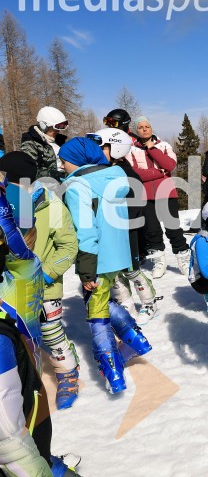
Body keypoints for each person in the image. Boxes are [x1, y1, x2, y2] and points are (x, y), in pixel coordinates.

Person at [0, 184, 80, 476]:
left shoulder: (24, 267)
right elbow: (7, 441)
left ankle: (46, 456)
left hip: (27, 381)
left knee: (35, 427)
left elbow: (67, 245)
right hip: (14, 389)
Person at [60, 137, 151, 394]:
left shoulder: (79, 186)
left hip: (97, 259)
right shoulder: (115, 177)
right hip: (117, 256)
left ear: (76, 161)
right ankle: (135, 339)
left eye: (64, 160)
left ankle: (113, 372)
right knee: (101, 300)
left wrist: (87, 268)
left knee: (96, 314)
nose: (63, 165)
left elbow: (86, 230)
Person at [0, 151, 81, 409]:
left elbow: (67, 246)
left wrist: (45, 274)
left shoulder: (50, 205)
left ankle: (67, 372)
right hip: (9, 287)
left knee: (50, 331)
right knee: (15, 338)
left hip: (43, 287)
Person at [87, 128, 160, 325]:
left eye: (101, 147)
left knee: (131, 269)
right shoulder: (99, 170)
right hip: (108, 231)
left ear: (116, 149)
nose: (96, 151)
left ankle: (149, 303)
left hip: (126, 230)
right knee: (114, 272)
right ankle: (126, 304)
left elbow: (136, 203)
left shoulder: (126, 173)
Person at [126, 115, 190, 278]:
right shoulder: (131, 149)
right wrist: (158, 172)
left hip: (167, 192)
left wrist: (151, 148)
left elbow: (169, 165)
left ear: (151, 128)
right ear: (136, 130)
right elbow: (134, 173)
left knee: (173, 228)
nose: (144, 129)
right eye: (140, 127)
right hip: (145, 196)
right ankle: (159, 261)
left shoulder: (164, 145)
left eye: (147, 126)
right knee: (151, 230)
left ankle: (183, 258)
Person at [19, 106, 69, 182]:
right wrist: (53, 175)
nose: (58, 131)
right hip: (46, 186)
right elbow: (30, 169)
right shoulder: (31, 143)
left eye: (59, 128)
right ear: (44, 126)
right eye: (54, 128)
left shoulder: (59, 141)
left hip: (65, 181)